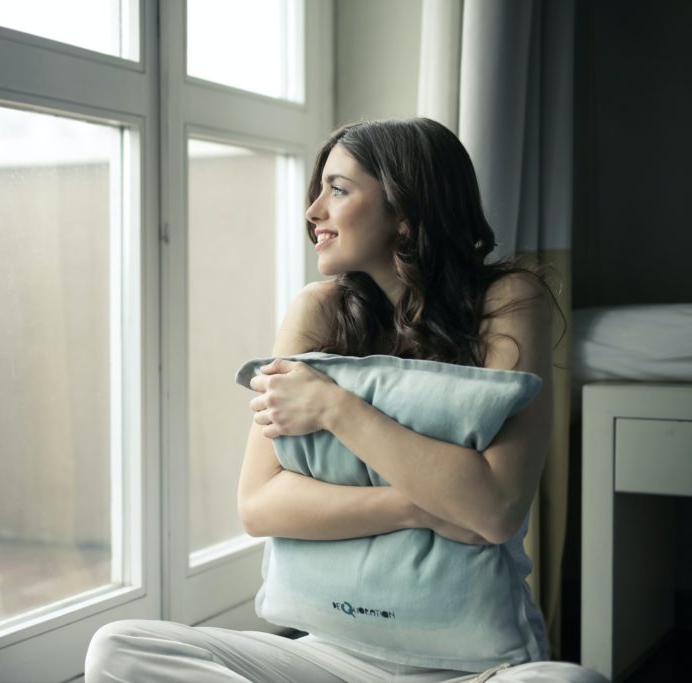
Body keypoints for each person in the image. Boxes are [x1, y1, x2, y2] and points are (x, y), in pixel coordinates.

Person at [85, 119, 607, 682]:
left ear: (405, 211)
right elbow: (259, 505)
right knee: (120, 647)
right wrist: (422, 506)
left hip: (476, 668)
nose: (313, 211)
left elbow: (497, 511)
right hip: (325, 656)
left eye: (337, 189)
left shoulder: (507, 300)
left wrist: (335, 407)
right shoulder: (318, 309)